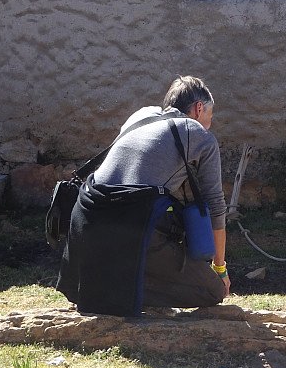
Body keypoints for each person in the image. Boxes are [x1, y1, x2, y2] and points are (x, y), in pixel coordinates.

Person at [58, 76, 230, 312]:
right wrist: (220, 270)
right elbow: (216, 207)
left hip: (85, 225)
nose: (210, 123)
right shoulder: (198, 134)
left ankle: (99, 282)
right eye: (210, 115)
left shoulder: (140, 116)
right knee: (213, 290)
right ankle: (121, 288)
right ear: (199, 108)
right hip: (130, 225)